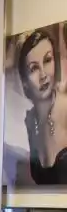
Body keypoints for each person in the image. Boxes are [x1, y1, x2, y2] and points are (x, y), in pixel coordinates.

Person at [14, 29, 67, 184]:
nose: (43, 74)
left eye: (47, 60)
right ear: (24, 81)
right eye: (34, 68)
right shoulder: (30, 120)